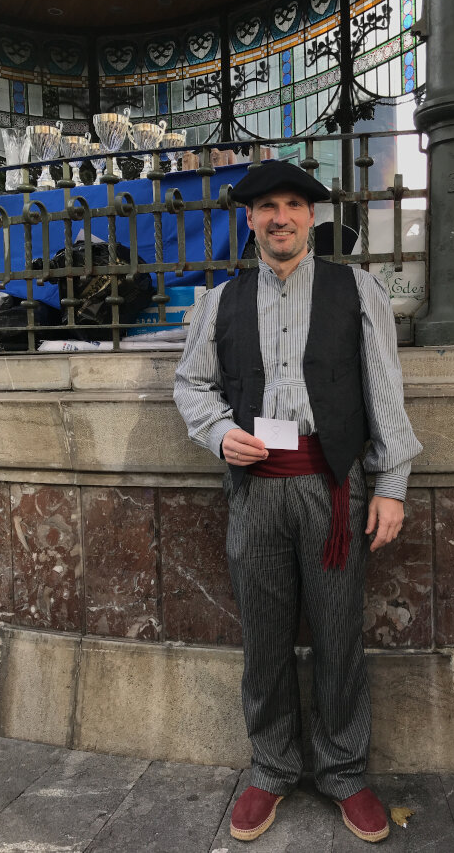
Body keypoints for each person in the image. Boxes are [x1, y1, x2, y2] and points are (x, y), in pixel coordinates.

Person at [174, 160, 422, 843]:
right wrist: (218, 432)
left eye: (291, 205)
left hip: (331, 487)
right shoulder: (219, 302)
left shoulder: (355, 289)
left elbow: (384, 389)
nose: (279, 217)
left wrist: (391, 488)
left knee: (339, 634)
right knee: (264, 637)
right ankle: (271, 767)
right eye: (266, 207)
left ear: (310, 216)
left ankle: (343, 771)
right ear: (250, 219)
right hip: (255, 491)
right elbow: (191, 384)